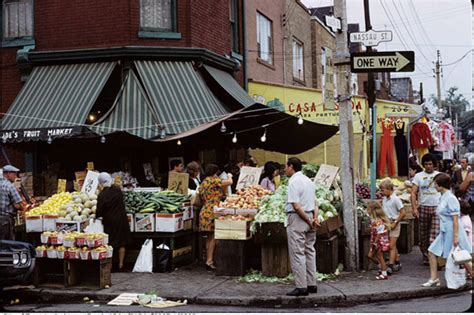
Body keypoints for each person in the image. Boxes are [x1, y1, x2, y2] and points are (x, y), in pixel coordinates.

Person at [422, 173, 472, 287]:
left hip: (452, 230)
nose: (434, 186)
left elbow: (455, 218)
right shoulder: (443, 196)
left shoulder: (450, 198)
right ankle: (434, 278)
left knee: (461, 257)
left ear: (441, 185)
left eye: (435, 184)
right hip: (445, 230)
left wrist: (455, 236)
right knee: (432, 251)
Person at [284, 157, 319, 296]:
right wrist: (314, 219)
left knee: (297, 252)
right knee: (310, 250)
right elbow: (316, 203)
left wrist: (308, 220)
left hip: (298, 218)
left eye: (286, 166)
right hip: (310, 215)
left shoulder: (293, 182)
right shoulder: (308, 181)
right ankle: (312, 284)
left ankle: (301, 286)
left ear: (291, 166)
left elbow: (296, 206)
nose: (285, 169)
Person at [198, 164, 233, 270]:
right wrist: (230, 176)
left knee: (209, 237)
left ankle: (209, 259)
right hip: (213, 211)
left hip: (204, 210)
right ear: (215, 172)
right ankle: (209, 260)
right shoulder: (213, 180)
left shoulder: (204, 182)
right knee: (213, 236)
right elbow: (229, 182)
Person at [96, 172, 131, 272]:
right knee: (121, 242)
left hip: (109, 221)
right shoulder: (117, 189)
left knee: (110, 243)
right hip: (121, 219)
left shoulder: (102, 195)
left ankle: (110, 266)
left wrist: (96, 217)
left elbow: (99, 211)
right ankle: (121, 264)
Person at [411, 153, 441, 265]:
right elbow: (413, 193)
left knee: (435, 233)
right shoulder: (418, 176)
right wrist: (414, 208)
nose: (428, 166)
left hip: (437, 208)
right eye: (426, 164)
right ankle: (425, 253)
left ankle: (433, 255)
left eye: (430, 164)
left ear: (434, 165)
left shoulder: (439, 175)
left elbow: (445, 191)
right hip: (423, 207)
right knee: (423, 233)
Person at [380, 179, 405, 274]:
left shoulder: (396, 199)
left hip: (394, 223)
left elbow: (403, 213)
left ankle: (390, 265)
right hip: (387, 223)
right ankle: (397, 262)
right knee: (392, 245)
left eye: (383, 190)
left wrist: (395, 222)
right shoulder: (384, 199)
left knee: (390, 245)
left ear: (389, 189)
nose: (382, 192)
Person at [366, 201, 391, 280]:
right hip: (375, 240)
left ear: (372, 210)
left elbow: (379, 233)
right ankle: (382, 266)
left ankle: (384, 273)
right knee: (370, 255)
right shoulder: (373, 219)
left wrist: (375, 242)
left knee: (380, 256)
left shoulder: (378, 221)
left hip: (379, 241)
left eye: (368, 209)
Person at [0, 165, 25, 240]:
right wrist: (22, 207)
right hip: (5, 221)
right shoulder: (10, 186)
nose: (16, 176)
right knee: (8, 244)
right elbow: (17, 205)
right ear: (7, 174)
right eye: (14, 174)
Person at [459, 200, 473, 279]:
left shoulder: (464, 221)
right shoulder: (465, 218)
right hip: (467, 245)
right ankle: (468, 273)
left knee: (466, 260)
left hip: (466, 245)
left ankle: (470, 273)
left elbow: (465, 233)